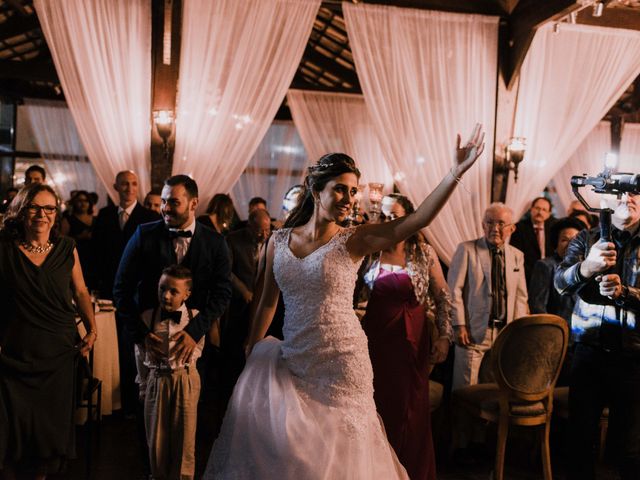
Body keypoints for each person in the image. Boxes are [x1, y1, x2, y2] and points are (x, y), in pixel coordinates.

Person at [204, 124, 485, 479]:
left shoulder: (355, 240)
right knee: (292, 451)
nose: (350, 199)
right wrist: (252, 346)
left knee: (341, 456)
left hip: (342, 361)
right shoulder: (278, 240)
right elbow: (266, 303)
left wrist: (455, 172)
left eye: (353, 191)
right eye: (341, 190)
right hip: (293, 356)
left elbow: (417, 219)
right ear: (314, 189)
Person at [0, 184, 96, 479]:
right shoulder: (4, 249)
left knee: (47, 436)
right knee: (10, 433)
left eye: (49, 208)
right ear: (21, 211)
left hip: (57, 355)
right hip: (14, 355)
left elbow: (80, 292)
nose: (42, 214)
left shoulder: (67, 249)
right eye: (34, 207)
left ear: (56, 214)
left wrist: (92, 329)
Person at [361, 193, 453, 480]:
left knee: (409, 411)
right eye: (385, 216)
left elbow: (443, 298)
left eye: (395, 215)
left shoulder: (423, 253)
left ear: (412, 216)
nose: (389, 221)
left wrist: (443, 337)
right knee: (375, 404)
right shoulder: (370, 251)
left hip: (411, 340)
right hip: (374, 340)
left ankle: (409, 471)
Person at [555, 191, 640, 480]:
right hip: (588, 353)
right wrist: (586, 268)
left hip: (635, 357)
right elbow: (559, 282)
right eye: (621, 191)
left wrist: (625, 293)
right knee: (579, 444)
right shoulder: (586, 238)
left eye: (636, 191)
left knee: (632, 450)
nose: (628, 196)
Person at [92, 170, 160, 416]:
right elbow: (96, 254)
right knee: (111, 346)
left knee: (134, 347)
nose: (130, 189)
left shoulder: (149, 216)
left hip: (138, 293)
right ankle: (114, 400)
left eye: (133, 184)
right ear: (115, 187)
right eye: (124, 184)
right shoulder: (104, 216)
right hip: (109, 290)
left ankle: (134, 402)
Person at [447, 202, 528, 391]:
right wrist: (459, 325)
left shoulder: (517, 255)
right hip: (473, 332)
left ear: (511, 228)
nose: (495, 228)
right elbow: (454, 291)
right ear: (483, 225)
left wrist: (518, 331)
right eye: (490, 222)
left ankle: (488, 422)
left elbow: (521, 297)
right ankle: (462, 422)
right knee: (465, 389)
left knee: (496, 387)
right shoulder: (466, 249)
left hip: (505, 333)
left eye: (501, 223)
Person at [135, 265, 203, 480]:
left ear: (187, 294)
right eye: (162, 288)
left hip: (185, 379)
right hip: (157, 379)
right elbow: (138, 354)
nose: (166, 295)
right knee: (156, 439)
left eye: (174, 291)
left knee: (185, 440)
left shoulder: (196, 318)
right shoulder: (148, 317)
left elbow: (199, 349)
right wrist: (144, 385)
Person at [221, 208, 272, 398]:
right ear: (249, 225)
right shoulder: (233, 239)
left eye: (267, 230)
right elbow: (227, 271)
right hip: (237, 307)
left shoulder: (272, 240)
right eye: (260, 231)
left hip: (263, 306)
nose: (264, 235)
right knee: (234, 353)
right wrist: (243, 290)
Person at [510, 196, 556, 285]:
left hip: (551, 276)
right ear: (531, 209)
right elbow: (515, 255)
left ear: (549, 214)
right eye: (537, 208)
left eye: (544, 210)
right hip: (527, 277)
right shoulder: (519, 228)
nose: (540, 212)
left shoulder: (554, 228)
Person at [61, 190, 97, 288]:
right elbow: (62, 240)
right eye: (79, 201)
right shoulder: (68, 219)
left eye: (86, 201)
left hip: (94, 258)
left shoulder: (96, 219)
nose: (83, 203)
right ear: (75, 203)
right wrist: (79, 237)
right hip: (76, 256)